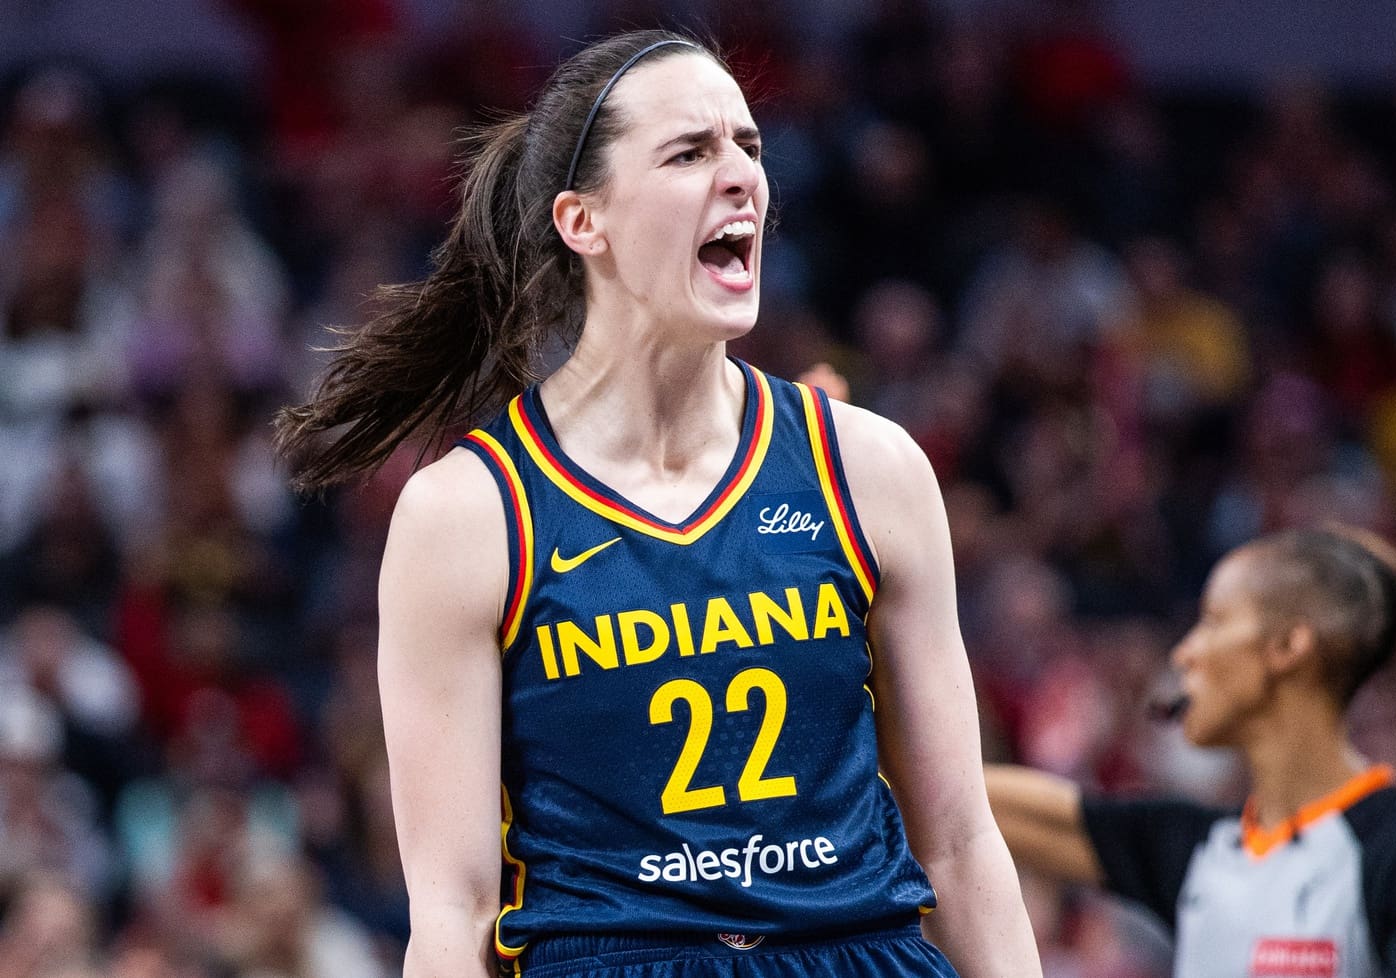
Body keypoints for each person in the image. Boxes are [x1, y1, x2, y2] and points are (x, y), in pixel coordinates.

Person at [275, 30, 1041, 978]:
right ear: (581, 221)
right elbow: (455, 908)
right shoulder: (467, 515)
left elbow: (962, 844)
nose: (741, 178)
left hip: (854, 951)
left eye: (749, 147)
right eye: (689, 153)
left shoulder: (869, 467)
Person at [985, 527, 1396, 978]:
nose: (1184, 654)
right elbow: (977, 805)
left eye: (1213, 621)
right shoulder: (1201, 847)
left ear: (1286, 646)